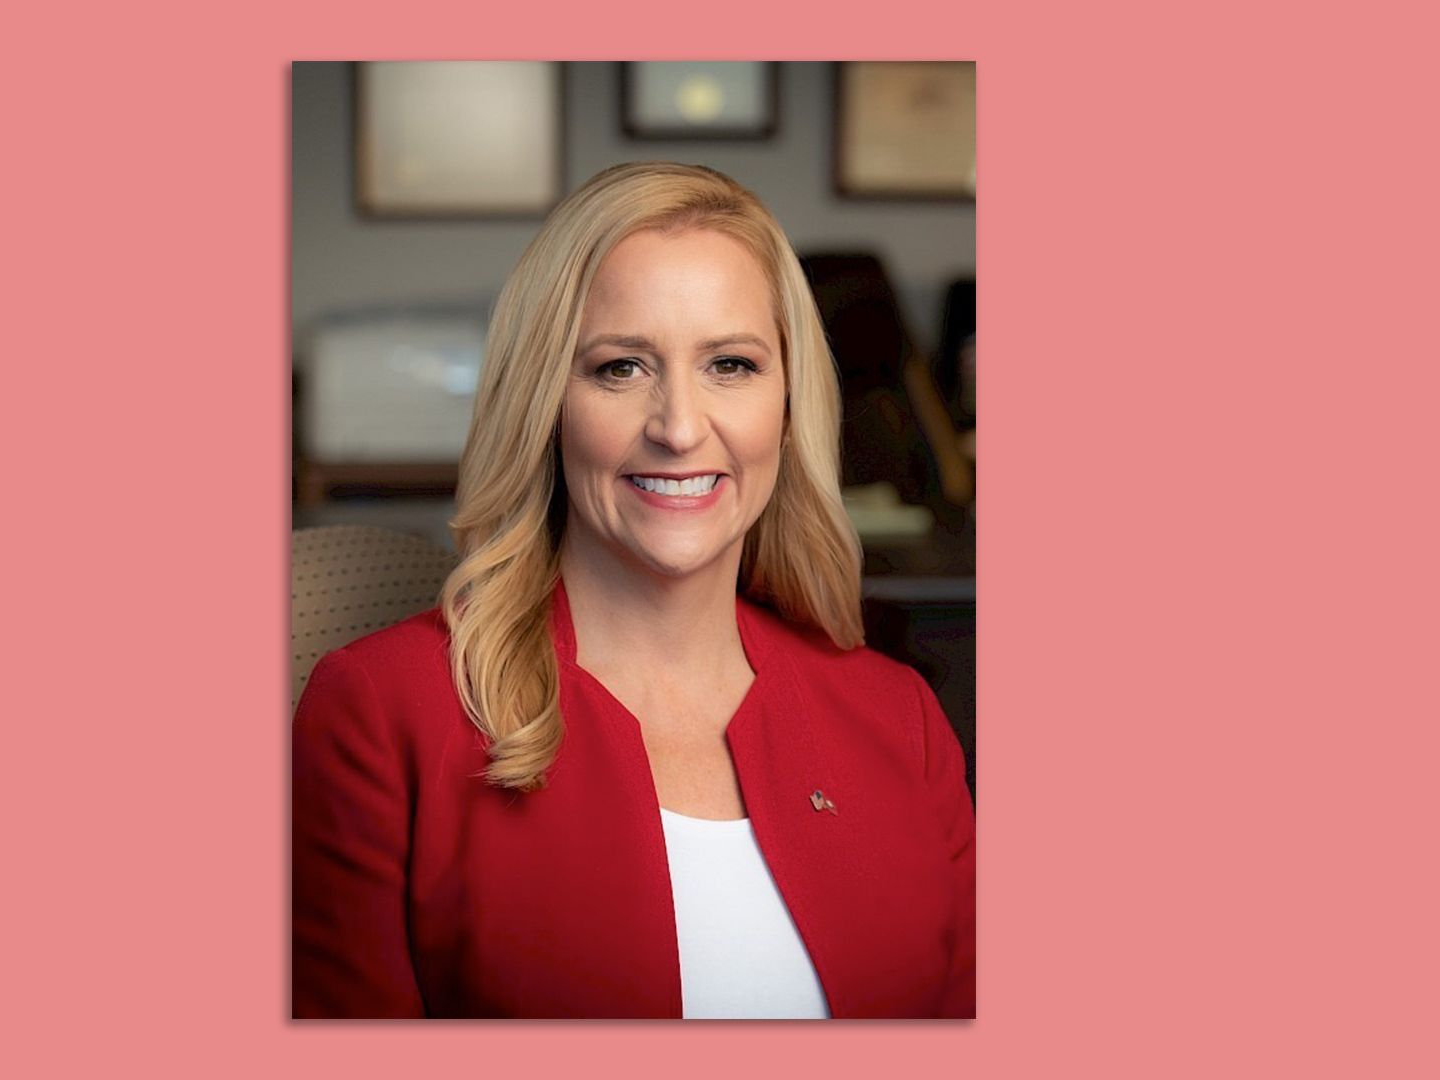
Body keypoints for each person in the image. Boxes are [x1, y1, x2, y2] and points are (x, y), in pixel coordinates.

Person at [293, 162, 974, 1019]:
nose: (681, 426)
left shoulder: (898, 718)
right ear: (544, 402)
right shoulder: (382, 712)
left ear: (789, 404)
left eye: (731, 364)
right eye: (620, 369)